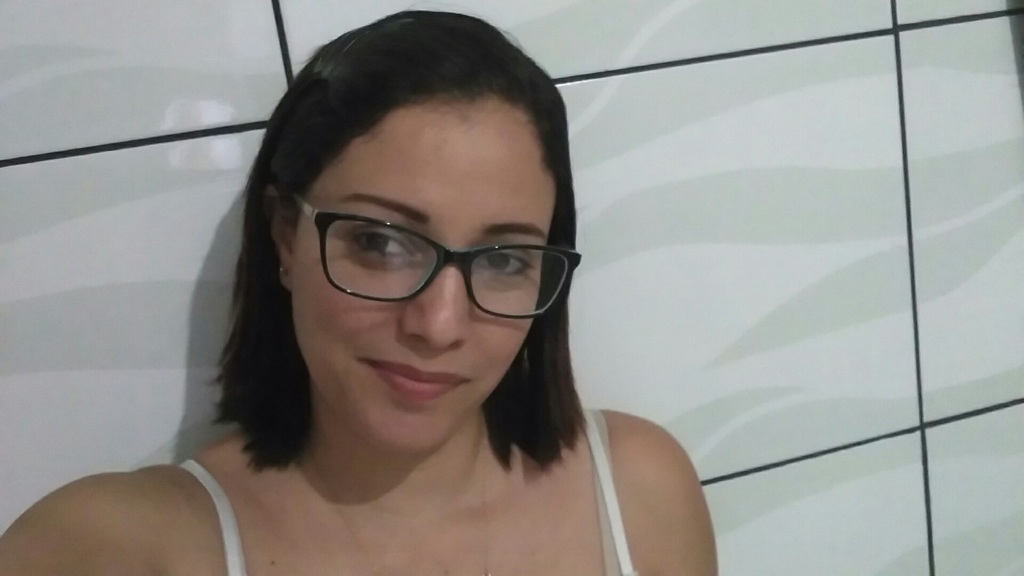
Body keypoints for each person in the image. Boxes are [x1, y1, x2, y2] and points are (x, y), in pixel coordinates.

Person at [0, 10, 716, 576]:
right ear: (285, 236)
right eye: (381, 243)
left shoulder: (640, 491)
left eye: (503, 258)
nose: (439, 324)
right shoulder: (117, 548)